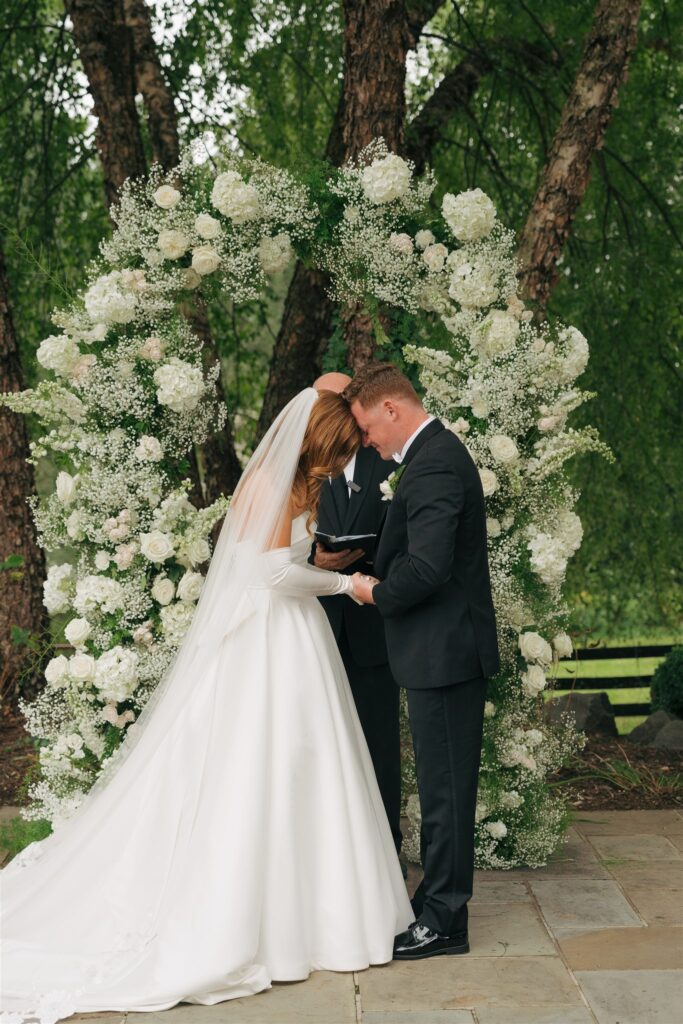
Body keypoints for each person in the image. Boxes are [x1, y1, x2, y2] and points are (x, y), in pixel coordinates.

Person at [0, 388, 413, 1024]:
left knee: (307, 766)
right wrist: (344, 583)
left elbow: (284, 557)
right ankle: (260, 922)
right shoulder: (272, 485)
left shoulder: (300, 484)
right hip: (270, 637)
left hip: (295, 634)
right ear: (315, 444)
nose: (342, 464)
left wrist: (325, 561)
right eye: (337, 451)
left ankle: (316, 915)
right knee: (262, 764)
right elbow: (269, 574)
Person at [346, 362, 500, 961]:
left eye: (366, 428)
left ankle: (444, 919)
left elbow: (430, 566)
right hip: (440, 651)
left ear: (391, 409)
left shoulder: (433, 460)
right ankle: (438, 903)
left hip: (445, 653)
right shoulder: (432, 454)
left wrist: (374, 592)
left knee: (445, 793)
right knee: (441, 787)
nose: (367, 441)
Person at [310, 372, 402, 855]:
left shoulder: (385, 465)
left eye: (338, 401)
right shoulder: (300, 470)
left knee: (378, 746)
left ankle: (386, 848)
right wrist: (314, 560)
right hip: (312, 632)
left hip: (371, 631)